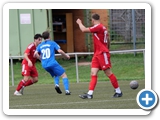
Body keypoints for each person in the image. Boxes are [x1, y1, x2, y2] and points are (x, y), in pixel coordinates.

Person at [76, 13, 122, 99]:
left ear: (93, 20)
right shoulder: (103, 27)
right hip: (98, 53)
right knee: (93, 72)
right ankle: (90, 93)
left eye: (92, 20)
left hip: (102, 53)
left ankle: (118, 91)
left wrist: (79, 23)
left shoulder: (98, 27)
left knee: (108, 72)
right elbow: (108, 39)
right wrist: (107, 48)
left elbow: (84, 30)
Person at [34, 31, 71, 95]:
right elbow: (60, 51)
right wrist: (66, 56)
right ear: (49, 36)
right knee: (64, 75)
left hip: (44, 65)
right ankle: (67, 91)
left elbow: (35, 54)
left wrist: (41, 59)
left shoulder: (40, 45)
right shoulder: (52, 43)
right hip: (52, 63)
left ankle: (56, 85)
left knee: (56, 74)